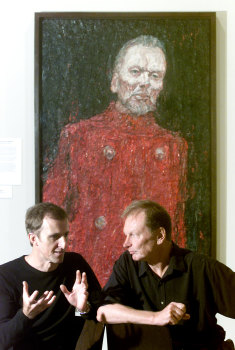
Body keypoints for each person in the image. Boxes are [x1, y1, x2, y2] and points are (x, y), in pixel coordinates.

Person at [43, 35, 188, 286]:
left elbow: (177, 228)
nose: (144, 83)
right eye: (135, 71)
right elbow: (51, 216)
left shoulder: (174, 146)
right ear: (114, 81)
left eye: (155, 76)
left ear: (162, 85)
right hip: (90, 275)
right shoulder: (79, 136)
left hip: (150, 281)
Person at [97, 200, 235, 350]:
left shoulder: (202, 267)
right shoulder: (127, 263)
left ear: (160, 235)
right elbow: (103, 312)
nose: (126, 243)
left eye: (134, 235)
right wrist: (156, 318)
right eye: (126, 235)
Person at [0, 202, 101, 350]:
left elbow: (100, 310)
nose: (63, 244)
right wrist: (26, 315)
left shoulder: (75, 263)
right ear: (33, 239)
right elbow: (2, 340)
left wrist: (83, 309)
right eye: (54, 237)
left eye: (65, 235)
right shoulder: (6, 276)